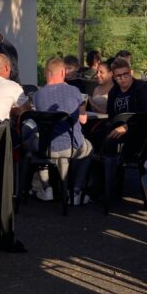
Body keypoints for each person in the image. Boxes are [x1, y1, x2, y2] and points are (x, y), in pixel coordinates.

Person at [30, 57, 94, 204]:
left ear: (47, 73)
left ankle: (46, 187)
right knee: (90, 149)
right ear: (63, 72)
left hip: (47, 148)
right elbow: (83, 120)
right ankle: (76, 191)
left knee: (32, 141)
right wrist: (82, 106)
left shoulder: (37, 95)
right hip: (72, 147)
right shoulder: (74, 91)